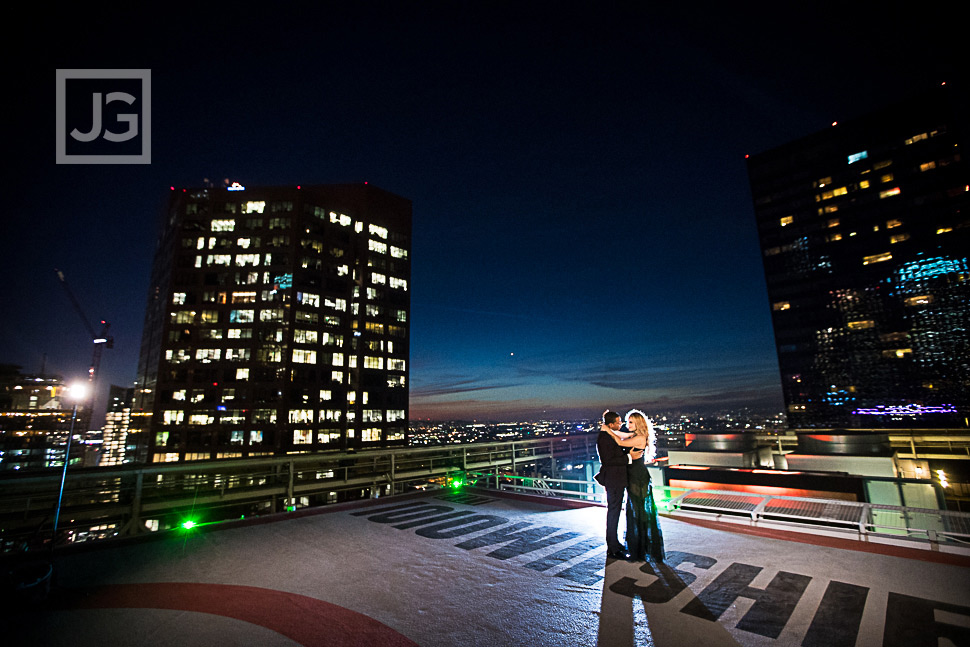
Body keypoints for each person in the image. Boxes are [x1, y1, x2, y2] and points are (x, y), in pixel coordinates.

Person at [604, 409, 665, 561]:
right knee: (636, 511)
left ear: (637, 423)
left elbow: (619, 441)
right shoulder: (635, 435)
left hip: (638, 476)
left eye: (630, 422)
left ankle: (641, 549)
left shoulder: (640, 437)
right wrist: (610, 428)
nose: (627, 424)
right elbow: (622, 436)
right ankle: (639, 548)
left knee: (639, 512)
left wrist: (606, 429)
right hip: (633, 475)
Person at [594, 410, 642, 560]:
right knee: (613, 512)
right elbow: (609, 460)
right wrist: (629, 457)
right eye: (618, 422)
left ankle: (615, 544)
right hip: (613, 479)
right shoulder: (605, 438)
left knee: (615, 511)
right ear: (611, 424)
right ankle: (613, 548)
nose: (621, 424)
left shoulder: (609, 435)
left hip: (617, 479)